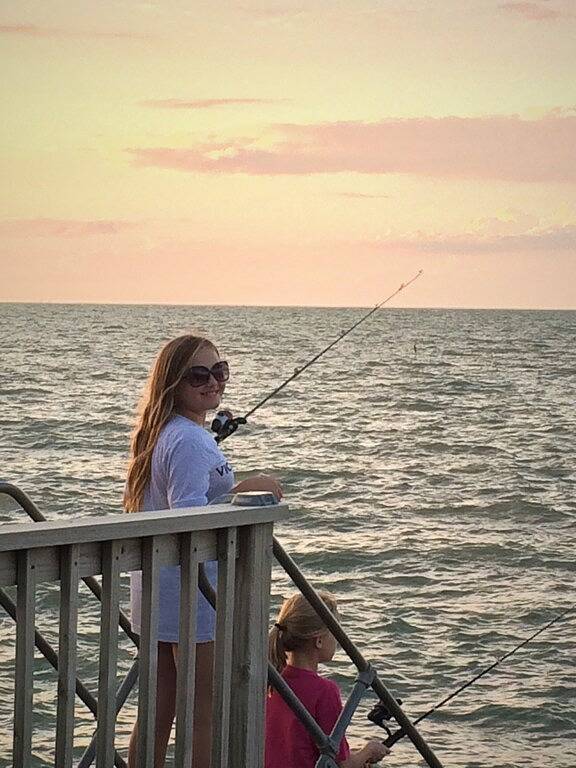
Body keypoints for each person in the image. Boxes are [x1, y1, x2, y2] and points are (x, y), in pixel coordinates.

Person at [124, 333, 283, 768]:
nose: (213, 382)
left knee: (156, 712)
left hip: (157, 590)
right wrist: (247, 489)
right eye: (198, 375)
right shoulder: (190, 441)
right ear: (173, 382)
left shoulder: (164, 433)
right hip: (192, 596)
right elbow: (190, 517)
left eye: (219, 371)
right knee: (204, 715)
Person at [265, 593, 389, 768]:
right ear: (319, 640)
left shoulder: (271, 681)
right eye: (335, 631)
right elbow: (343, 764)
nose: (338, 639)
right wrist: (369, 751)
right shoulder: (324, 691)